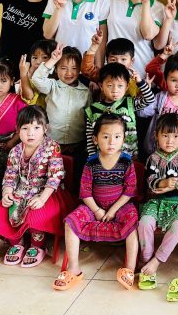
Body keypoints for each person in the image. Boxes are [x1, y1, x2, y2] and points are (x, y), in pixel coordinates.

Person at [55, 113, 139, 291]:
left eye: (117, 137)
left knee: (133, 223)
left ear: (124, 138)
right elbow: (85, 192)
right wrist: (98, 210)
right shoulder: (91, 163)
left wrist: (114, 210)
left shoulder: (126, 162)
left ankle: (129, 269)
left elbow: (130, 190)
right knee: (71, 222)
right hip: (93, 206)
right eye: (106, 137)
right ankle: (74, 268)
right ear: (95, 139)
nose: (111, 142)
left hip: (121, 206)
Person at [0, 106, 74, 268]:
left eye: (36, 128)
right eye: (25, 128)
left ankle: (37, 246)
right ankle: (16, 243)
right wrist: (7, 193)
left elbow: (55, 177)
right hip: (21, 191)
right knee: (3, 209)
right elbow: (10, 176)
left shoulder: (52, 147)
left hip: (48, 192)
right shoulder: (15, 151)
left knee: (36, 213)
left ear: (45, 129)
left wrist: (42, 198)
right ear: (18, 130)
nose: (31, 133)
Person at [137, 113, 178, 295]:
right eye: (165, 136)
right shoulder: (153, 158)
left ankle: (156, 261)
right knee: (145, 222)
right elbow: (150, 180)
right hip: (156, 201)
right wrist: (162, 183)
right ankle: (146, 258)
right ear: (156, 135)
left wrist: (175, 182)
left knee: (177, 226)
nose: (170, 141)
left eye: (175, 136)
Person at [30, 43, 91, 160]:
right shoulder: (52, 86)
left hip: (77, 143)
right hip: (51, 142)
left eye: (74, 68)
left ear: (80, 70)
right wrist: (52, 60)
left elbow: (89, 118)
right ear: (56, 69)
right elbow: (36, 79)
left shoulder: (86, 92)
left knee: (73, 173)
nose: (69, 73)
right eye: (63, 68)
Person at [106, 0, 164, 73]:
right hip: (112, 72)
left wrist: (146, 2)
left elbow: (148, 34)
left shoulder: (158, 7)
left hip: (142, 71)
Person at [84, 63, 154, 160]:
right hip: (103, 161)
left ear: (127, 86)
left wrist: (139, 81)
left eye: (120, 86)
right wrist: (93, 160)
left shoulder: (130, 103)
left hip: (129, 159)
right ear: (101, 86)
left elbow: (150, 99)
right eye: (109, 85)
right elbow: (90, 141)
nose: (115, 90)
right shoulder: (92, 110)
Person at [80, 35, 146, 97]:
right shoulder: (103, 74)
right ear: (107, 60)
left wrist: (143, 85)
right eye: (113, 59)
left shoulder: (136, 80)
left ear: (132, 61)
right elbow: (87, 70)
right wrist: (94, 47)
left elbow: (143, 100)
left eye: (123, 59)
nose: (118, 63)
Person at [18, 39, 57, 107]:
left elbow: (29, 96)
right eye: (35, 57)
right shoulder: (30, 77)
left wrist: (23, 75)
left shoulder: (56, 78)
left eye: (44, 57)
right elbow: (29, 97)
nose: (38, 62)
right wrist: (24, 76)